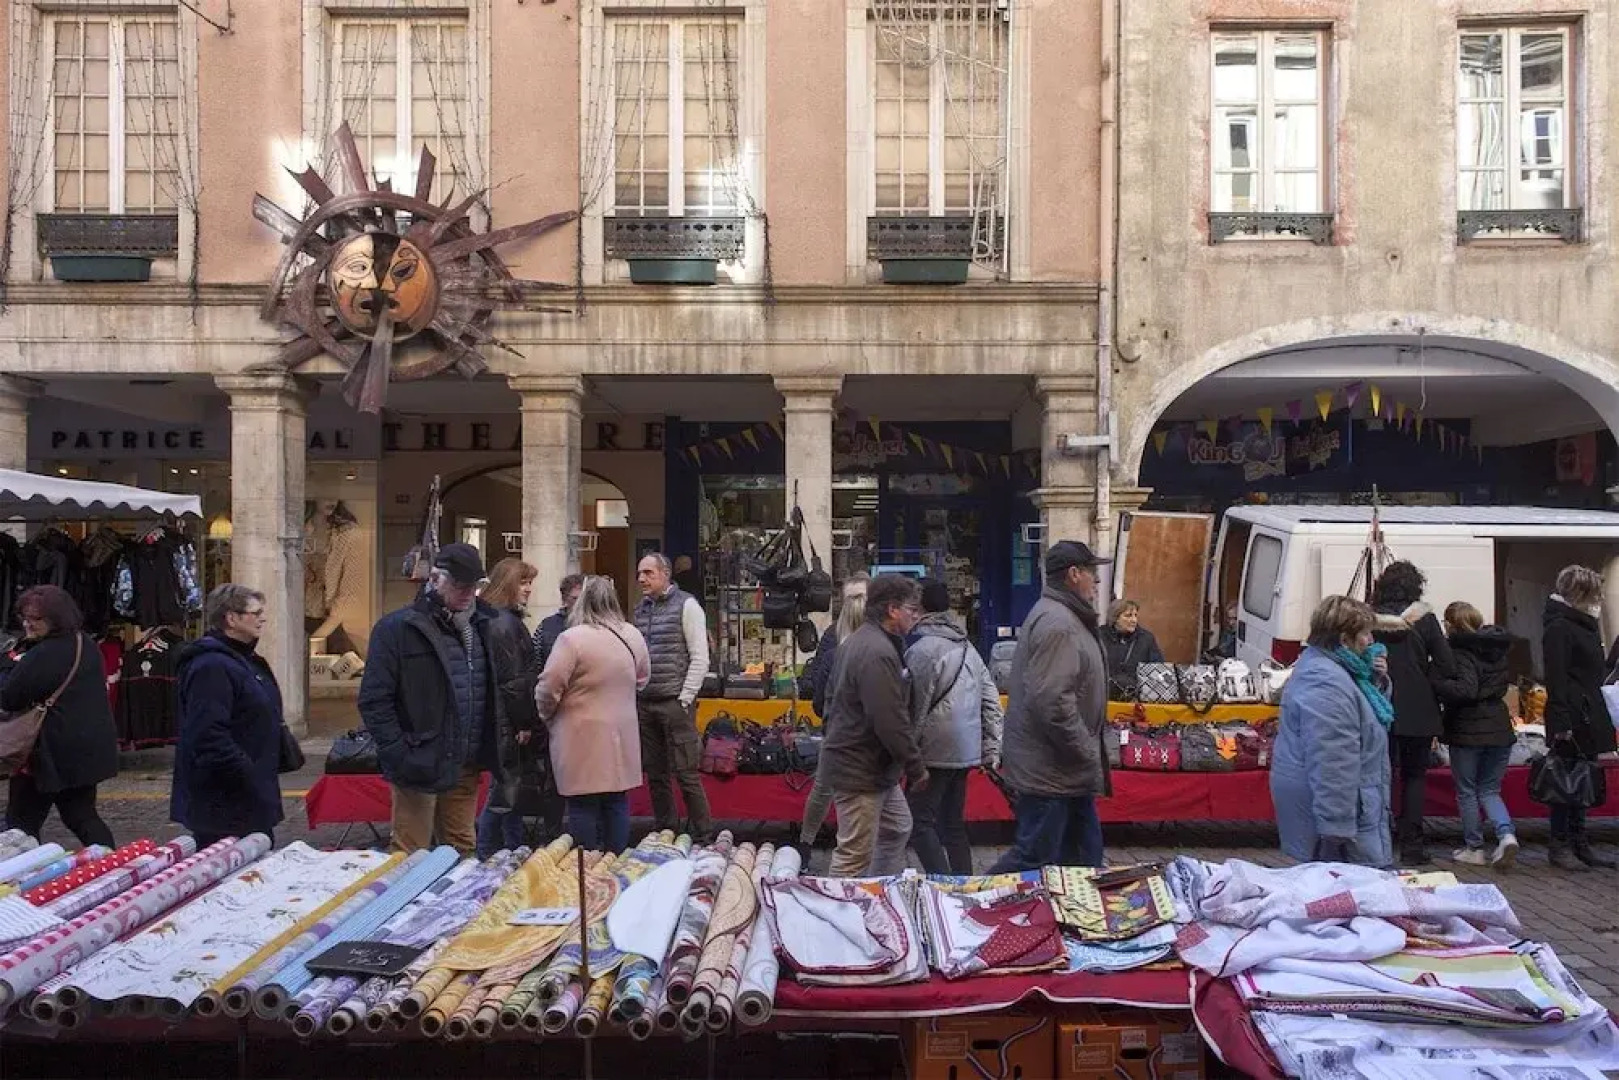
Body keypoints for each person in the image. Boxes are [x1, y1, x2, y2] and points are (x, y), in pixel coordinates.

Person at [359, 543, 509, 855]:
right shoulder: (397, 629)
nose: (467, 593)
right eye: (458, 585)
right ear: (435, 580)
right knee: (410, 854)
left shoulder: (485, 624)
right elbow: (375, 700)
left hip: (466, 759)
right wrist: (400, 752)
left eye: (475, 586)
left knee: (462, 849)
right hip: (419, 760)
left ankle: (460, 904)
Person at [989, 541, 1111, 873]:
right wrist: (1084, 749)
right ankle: (968, 905)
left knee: (1082, 864)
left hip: (1064, 772)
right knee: (1034, 859)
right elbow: (1052, 700)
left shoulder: (1066, 617)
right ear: (1074, 574)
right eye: (1092, 573)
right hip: (1052, 771)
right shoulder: (1059, 623)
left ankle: (1074, 919)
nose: (1096, 582)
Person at [1270, 595, 1394, 868]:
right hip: (1341, 818)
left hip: (1350, 805)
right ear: (1343, 639)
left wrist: (1374, 680)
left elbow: (1361, 713)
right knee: (1348, 894)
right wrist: (1336, 828)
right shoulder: (1327, 682)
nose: (1371, 641)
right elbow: (1333, 760)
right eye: (1364, 633)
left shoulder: (1340, 670)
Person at [820, 574, 927, 877]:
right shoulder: (876, 651)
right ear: (893, 610)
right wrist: (915, 765)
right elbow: (888, 718)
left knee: (897, 827)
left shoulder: (866, 642)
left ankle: (878, 892)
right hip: (859, 769)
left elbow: (830, 701)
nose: (915, 616)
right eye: (911, 609)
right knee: (853, 854)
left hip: (869, 765)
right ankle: (836, 914)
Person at [535, 575, 650, 853]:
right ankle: (618, 860)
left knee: (582, 803)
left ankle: (587, 867)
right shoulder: (632, 635)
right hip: (621, 734)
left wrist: (547, 715)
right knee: (616, 800)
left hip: (579, 734)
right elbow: (643, 679)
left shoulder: (571, 639)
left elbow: (548, 688)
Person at [0, 585, 117, 847]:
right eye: (24, 617)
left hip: (49, 754)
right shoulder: (83, 643)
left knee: (21, 823)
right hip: (85, 750)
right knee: (82, 816)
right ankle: (115, 866)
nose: (28, 624)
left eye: (36, 619)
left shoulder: (44, 653)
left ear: (56, 618)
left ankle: (20, 878)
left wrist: (11, 666)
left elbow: (10, 697)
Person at [171, 584, 285, 849]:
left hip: (248, 797)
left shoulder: (244, 659)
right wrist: (249, 775)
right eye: (254, 613)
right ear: (231, 619)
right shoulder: (211, 666)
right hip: (225, 803)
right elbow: (208, 735)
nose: (262, 618)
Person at [905, 578, 1003, 876]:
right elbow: (991, 700)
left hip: (933, 748)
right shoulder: (968, 647)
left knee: (918, 822)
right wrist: (991, 748)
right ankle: (964, 883)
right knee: (952, 823)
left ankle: (945, 884)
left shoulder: (922, 649)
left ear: (918, 607)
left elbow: (914, 706)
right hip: (966, 746)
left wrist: (908, 755)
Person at [1371, 560, 1456, 866]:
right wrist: (1422, 673)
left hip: (1377, 703)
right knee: (1414, 776)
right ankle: (1413, 844)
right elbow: (1447, 664)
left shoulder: (1368, 620)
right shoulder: (1425, 619)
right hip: (1418, 706)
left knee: (1380, 774)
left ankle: (1377, 837)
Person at [1429, 601, 1519, 868]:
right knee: (1490, 789)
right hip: (1500, 726)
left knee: (1467, 790)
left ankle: (1474, 847)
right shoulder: (1497, 650)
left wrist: (1436, 683)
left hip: (1467, 730)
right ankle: (1506, 833)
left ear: (1451, 625)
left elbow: (1466, 690)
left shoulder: (1460, 652)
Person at [1541, 566, 1617, 871]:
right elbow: (1556, 676)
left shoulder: (1582, 624)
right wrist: (1561, 721)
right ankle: (1560, 844)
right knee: (1565, 779)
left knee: (1582, 777)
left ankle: (1579, 841)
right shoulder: (1560, 626)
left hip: (1587, 710)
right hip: (1573, 712)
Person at [475, 558, 552, 859]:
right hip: (507, 718)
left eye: (530, 582)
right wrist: (524, 723)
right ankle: (489, 851)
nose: (529, 589)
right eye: (523, 582)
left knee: (510, 789)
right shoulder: (504, 623)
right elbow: (513, 681)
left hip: (502, 715)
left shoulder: (494, 619)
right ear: (507, 584)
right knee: (505, 791)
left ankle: (513, 847)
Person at [633, 552, 712, 841]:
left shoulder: (687, 605)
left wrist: (685, 697)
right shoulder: (640, 610)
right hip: (646, 702)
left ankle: (704, 835)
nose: (641, 578)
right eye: (639, 573)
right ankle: (666, 830)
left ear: (665, 574)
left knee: (686, 773)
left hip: (674, 702)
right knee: (656, 774)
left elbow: (700, 656)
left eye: (648, 573)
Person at [797, 575, 868, 851]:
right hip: (842, 733)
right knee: (826, 789)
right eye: (852, 597)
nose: (856, 603)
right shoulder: (832, 639)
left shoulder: (882, 640)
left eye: (861, 597)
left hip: (850, 734)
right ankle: (810, 844)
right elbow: (818, 685)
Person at [1100, 599, 1165, 700]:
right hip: (1103, 696)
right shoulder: (1100, 636)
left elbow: (1157, 669)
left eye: (1135, 615)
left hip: (1136, 699)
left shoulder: (1146, 639)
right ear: (1115, 618)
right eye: (1128, 615)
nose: (1134, 620)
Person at [534, 574, 584, 673]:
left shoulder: (597, 626)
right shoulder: (546, 626)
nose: (580, 603)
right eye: (575, 598)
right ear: (565, 599)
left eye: (583, 598)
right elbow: (536, 662)